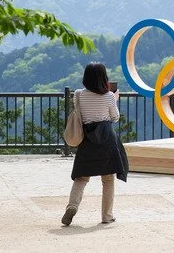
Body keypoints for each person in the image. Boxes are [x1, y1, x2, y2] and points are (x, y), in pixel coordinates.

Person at [61, 63, 128, 227]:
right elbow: (115, 117)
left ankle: (72, 206)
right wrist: (114, 99)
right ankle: (107, 216)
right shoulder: (109, 96)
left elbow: (79, 114)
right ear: (104, 77)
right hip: (106, 139)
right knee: (108, 179)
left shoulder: (78, 95)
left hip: (87, 139)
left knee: (81, 177)